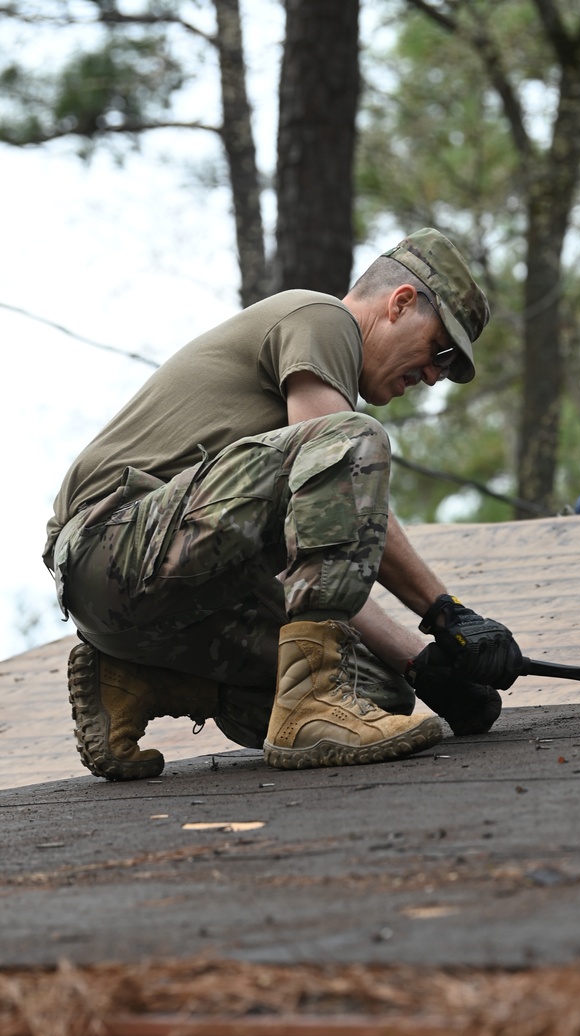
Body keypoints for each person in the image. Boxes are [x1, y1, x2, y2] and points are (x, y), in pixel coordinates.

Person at [45, 229, 522, 779]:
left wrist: (423, 664)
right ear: (401, 302)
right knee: (352, 439)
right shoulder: (322, 318)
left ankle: (133, 682)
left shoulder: (297, 460)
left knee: (377, 691)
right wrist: (446, 611)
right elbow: (337, 456)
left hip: (145, 600)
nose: (436, 376)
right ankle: (312, 705)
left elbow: (320, 573)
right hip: (113, 542)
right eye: (440, 349)